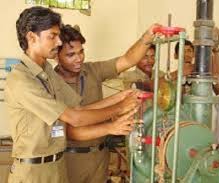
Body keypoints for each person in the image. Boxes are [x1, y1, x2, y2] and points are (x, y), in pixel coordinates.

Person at [5, 6, 139, 183]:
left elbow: (78, 109)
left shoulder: (47, 71)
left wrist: (119, 98)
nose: (59, 42)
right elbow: (74, 118)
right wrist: (118, 110)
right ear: (32, 37)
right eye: (52, 36)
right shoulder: (22, 79)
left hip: (57, 165)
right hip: (33, 172)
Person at [55, 24, 161, 183]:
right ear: (56, 55)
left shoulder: (92, 70)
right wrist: (115, 118)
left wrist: (147, 37)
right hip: (70, 159)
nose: (79, 59)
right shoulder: (52, 83)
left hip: (99, 157)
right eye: (71, 55)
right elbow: (71, 129)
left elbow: (127, 60)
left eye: (81, 52)